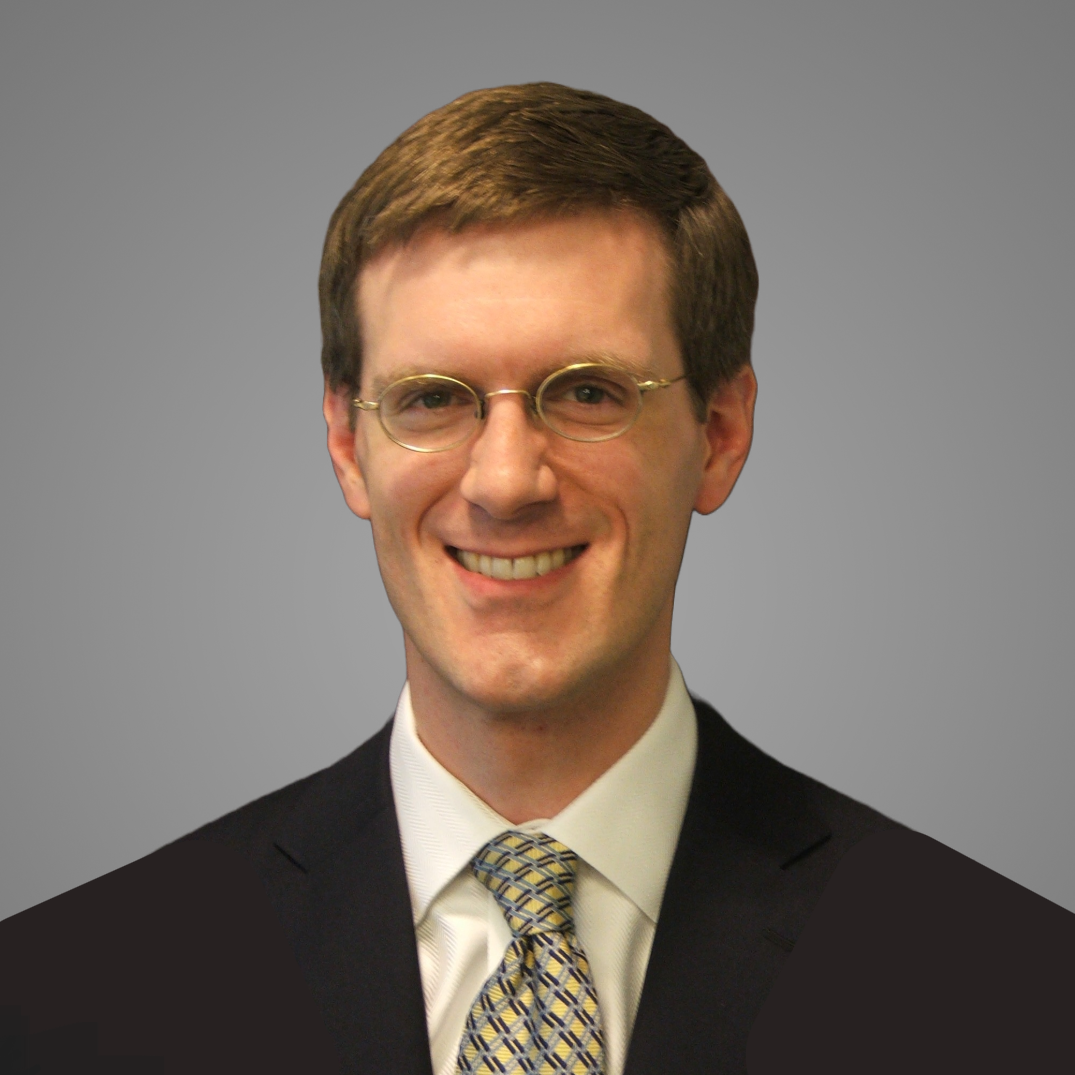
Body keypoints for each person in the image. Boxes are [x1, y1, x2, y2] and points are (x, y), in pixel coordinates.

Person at [2, 82, 1070, 1075]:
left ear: (719, 431)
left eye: (588, 392)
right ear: (344, 443)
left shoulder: (1017, 995)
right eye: (431, 399)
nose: (506, 481)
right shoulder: (61, 999)